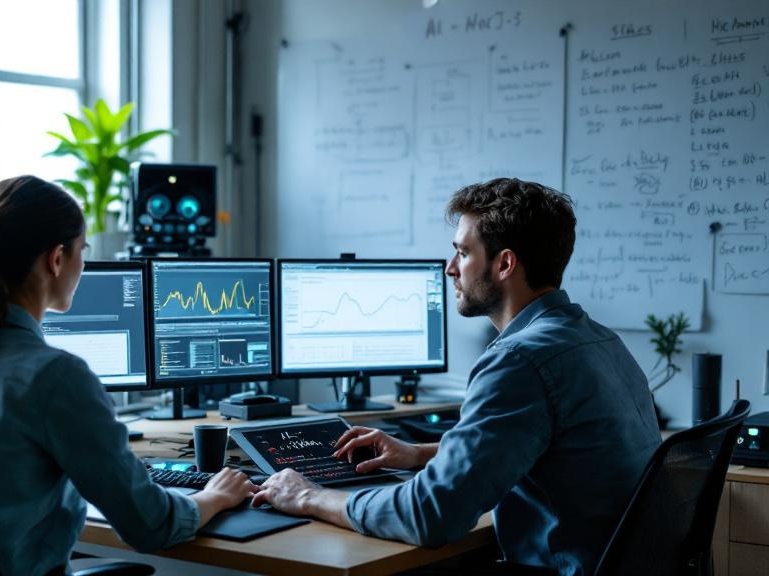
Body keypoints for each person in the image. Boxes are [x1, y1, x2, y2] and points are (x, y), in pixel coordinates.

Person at [252, 178, 661, 576]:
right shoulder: (599, 340)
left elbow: (430, 516)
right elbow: (541, 442)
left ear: (504, 264)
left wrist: (309, 496)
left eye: (463, 253)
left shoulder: (519, 360)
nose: (450, 269)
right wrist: (420, 453)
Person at [0, 175, 255, 576]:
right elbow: (150, 524)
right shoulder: (53, 376)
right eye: (83, 249)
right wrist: (214, 496)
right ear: (56, 258)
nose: (84, 262)